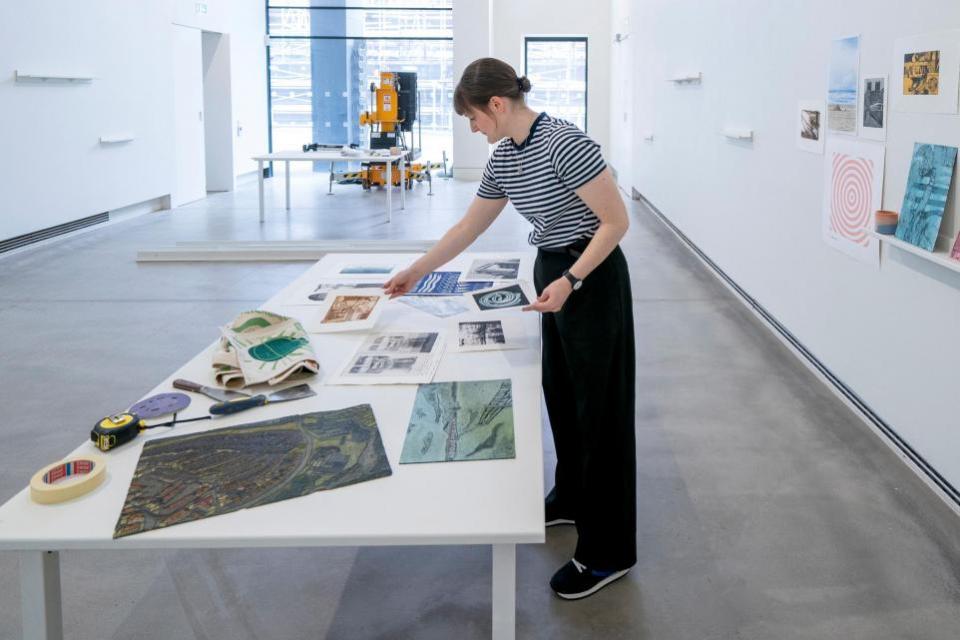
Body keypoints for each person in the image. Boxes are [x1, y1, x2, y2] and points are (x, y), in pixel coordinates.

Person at [384, 57, 636, 600]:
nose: (473, 130)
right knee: (563, 397)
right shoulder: (506, 157)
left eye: (474, 119)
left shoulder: (564, 142)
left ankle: (607, 552)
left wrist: (571, 279)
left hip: (589, 275)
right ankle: (570, 498)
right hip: (553, 269)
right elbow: (467, 226)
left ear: (496, 105)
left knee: (601, 412)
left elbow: (617, 222)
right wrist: (415, 270)